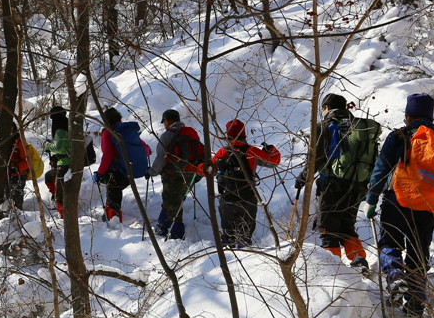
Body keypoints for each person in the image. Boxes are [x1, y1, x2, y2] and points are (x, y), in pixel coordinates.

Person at [365, 93, 434, 318]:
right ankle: (416, 304)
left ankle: (396, 277)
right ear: (430, 116)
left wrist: (372, 198)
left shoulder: (400, 136)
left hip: (397, 202)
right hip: (427, 209)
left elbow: (382, 168)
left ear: (408, 116)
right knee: (419, 254)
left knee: (390, 242)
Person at [296, 93, 379, 272]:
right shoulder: (358, 126)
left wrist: (303, 177)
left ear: (326, 108)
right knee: (347, 226)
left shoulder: (325, 126)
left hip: (332, 185)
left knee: (328, 229)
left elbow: (315, 158)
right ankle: (359, 259)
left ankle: (332, 271)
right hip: (358, 184)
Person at [211, 118, 281, 247]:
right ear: (244, 133)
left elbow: (209, 169)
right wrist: (271, 149)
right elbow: (274, 162)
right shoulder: (251, 151)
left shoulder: (222, 152)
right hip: (248, 195)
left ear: (228, 134)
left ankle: (227, 250)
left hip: (228, 195)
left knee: (228, 233)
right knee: (245, 233)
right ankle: (245, 250)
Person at [149, 109, 206, 240]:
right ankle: (162, 226)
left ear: (167, 121)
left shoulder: (168, 135)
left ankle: (176, 235)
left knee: (172, 204)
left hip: (173, 174)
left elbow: (161, 157)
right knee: (175, 201)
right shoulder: (191, 134)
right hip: (191, 174)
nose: (164, 124)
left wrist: (152, 172)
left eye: (164, 122)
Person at [93, 106, 150, 223]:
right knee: (114, 195)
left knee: (114, 197)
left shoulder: (108, 133)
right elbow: (146, 149)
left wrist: (99, 173)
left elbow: (107, 155)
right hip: (129, 171)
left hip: (115, 171)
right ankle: (111, 218)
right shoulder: (127, 131)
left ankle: (114, 225)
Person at [43, 105, 71, 217]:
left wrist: (48, 145)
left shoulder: (59, 129)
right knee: (49, 176)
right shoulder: (69, 126)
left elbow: (59, 148)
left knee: (61, 196)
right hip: (70, 161)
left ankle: (63, 216)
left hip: (63, 164)